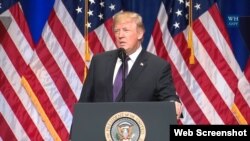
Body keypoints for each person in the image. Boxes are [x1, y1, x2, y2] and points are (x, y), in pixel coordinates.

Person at [79, 11, 182, 119]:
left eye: (125, 30)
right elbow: (84, 103)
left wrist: (173, 103)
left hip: (138, 132)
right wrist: (75, 135)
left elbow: (169, 97)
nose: (120, 35)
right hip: (100, 131)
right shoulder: (99, 61)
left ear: (140, 33)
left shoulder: (158, 67)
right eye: (117, 31)